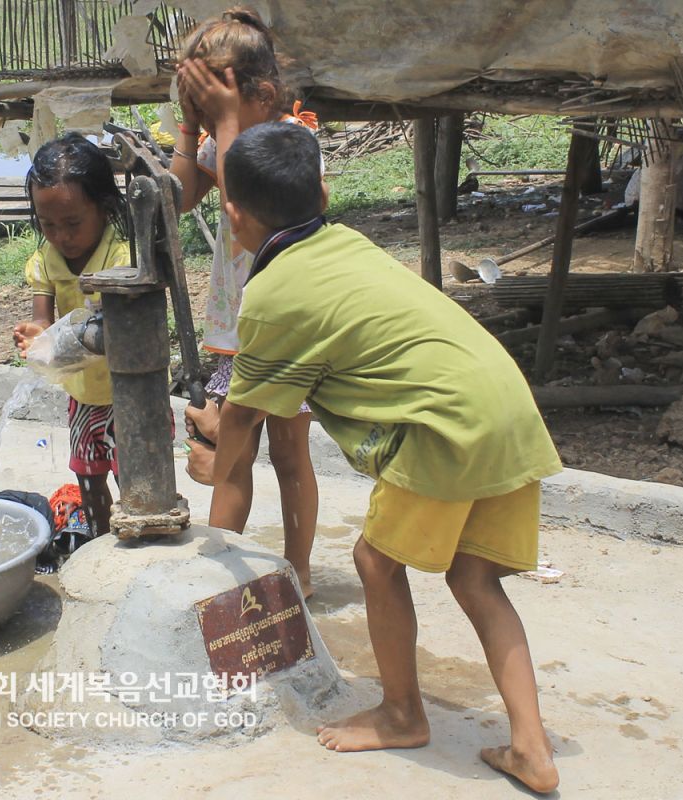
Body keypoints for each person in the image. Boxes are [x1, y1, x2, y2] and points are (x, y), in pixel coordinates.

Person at [212, 122, 561, 793]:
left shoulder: (273, 293)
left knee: (375, 560)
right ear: (324, 188)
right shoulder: (348, 242)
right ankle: (532, 747)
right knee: (476, 578)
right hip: (507, 406)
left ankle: (402, 714)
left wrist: (216, 500)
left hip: (445, 426)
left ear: (233, 214)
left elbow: (243, 424)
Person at [170, 6, 319, 597]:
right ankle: (217, 574)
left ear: (261, 93)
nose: (210, 121)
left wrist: (227, 121)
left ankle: (299, 568)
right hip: (238, 325)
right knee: (231, 452)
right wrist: (190, 127)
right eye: (202, 109)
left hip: (285, 323)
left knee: (288, 452)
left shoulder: (293, 140)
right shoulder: (215, 140)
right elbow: (180, 198)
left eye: (217, 105)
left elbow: (243, 204)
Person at [12, 133, 131, 539]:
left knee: (133, 478)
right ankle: (100, 542)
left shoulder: (122, 257)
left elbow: (120, 327)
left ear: (104, 207)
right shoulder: (47, 260)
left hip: (128, 394)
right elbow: (42, 322)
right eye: (48, 225)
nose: (61, 235)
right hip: (82, 395)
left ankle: (142, 538)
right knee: (87, 477)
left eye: (73, 223)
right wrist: (35, 336)